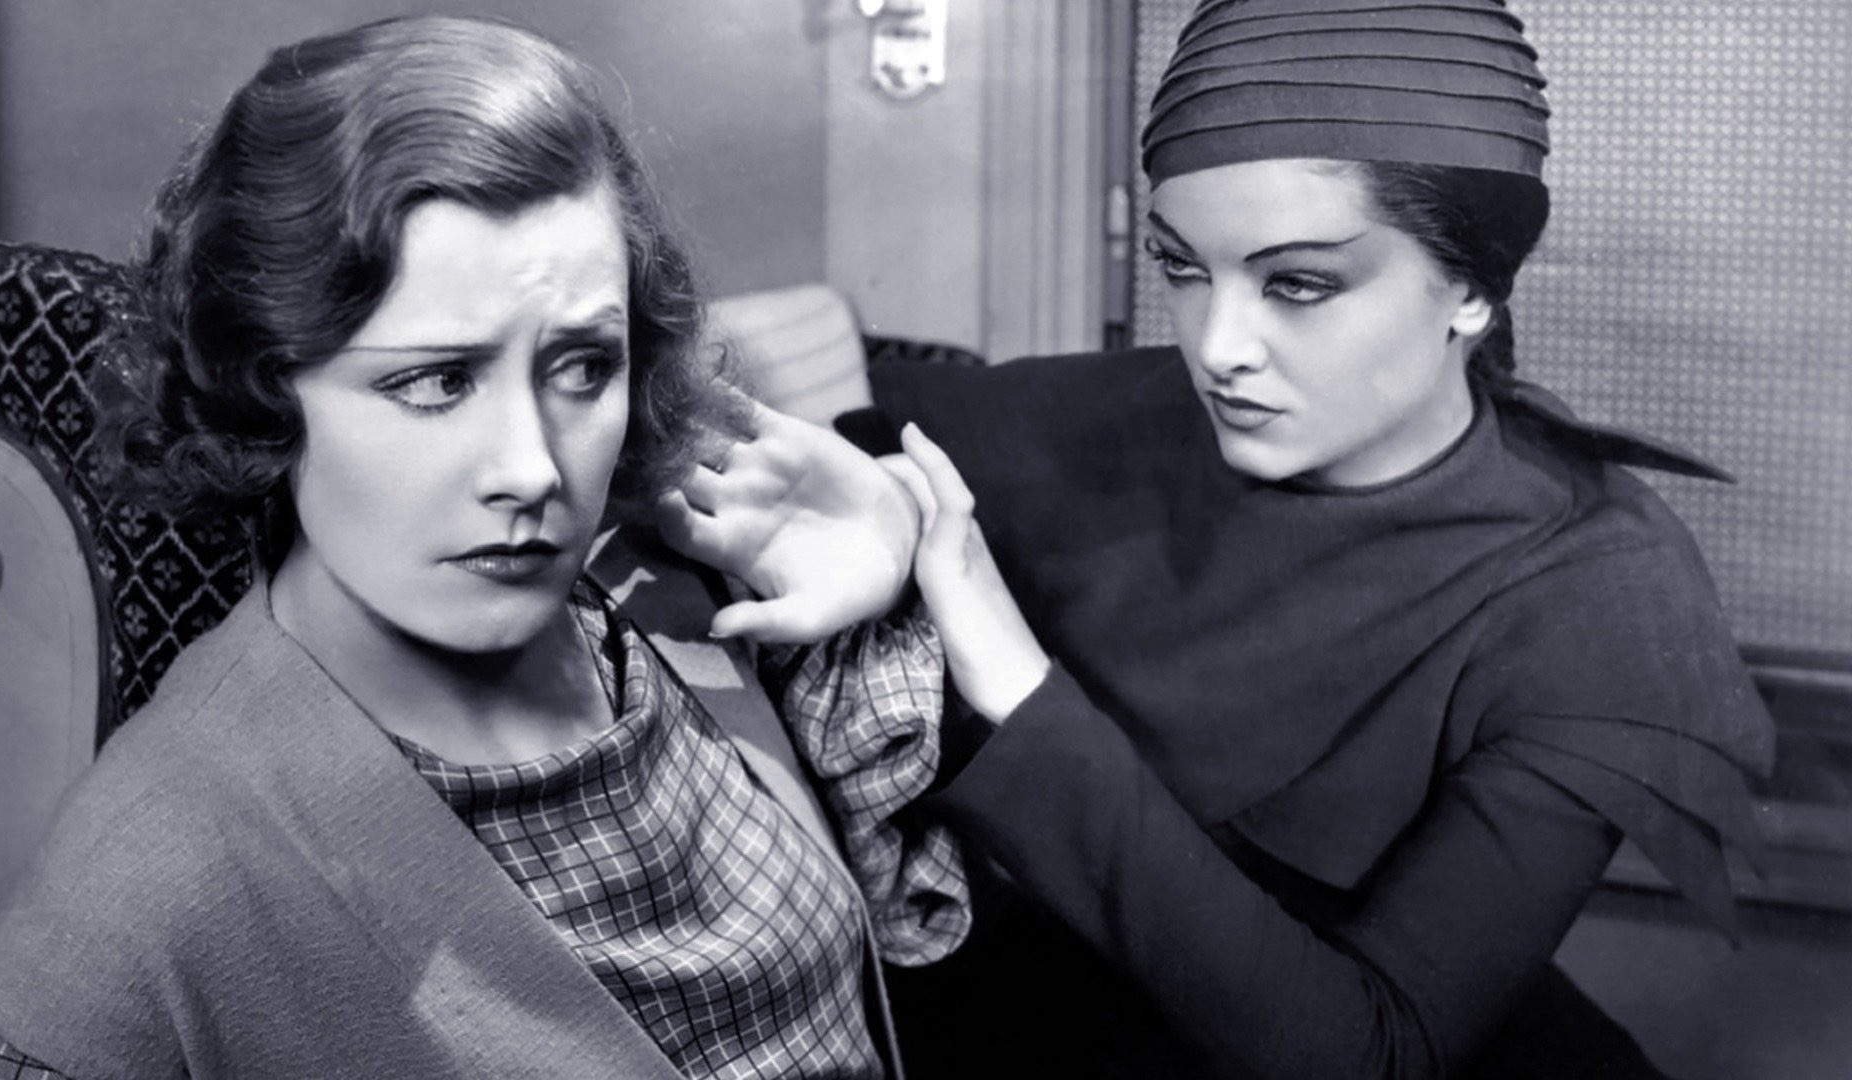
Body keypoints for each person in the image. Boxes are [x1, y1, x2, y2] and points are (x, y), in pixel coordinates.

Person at [661, 1, 1775, 1076]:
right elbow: (861, 453)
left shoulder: (1603, 598)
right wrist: (894, 514)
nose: (1217, 348)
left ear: (1473, 289)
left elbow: (1370, 1052)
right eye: (1183, 268)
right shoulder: (1114, 416)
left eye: (1299, 283)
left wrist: (1010, 671)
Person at [0, 15, 966, 1080]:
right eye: (435, 381)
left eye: (581, 368)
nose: (532, 468)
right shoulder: (161, 865)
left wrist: (891, 556)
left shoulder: (670, 610)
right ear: (265, 384)